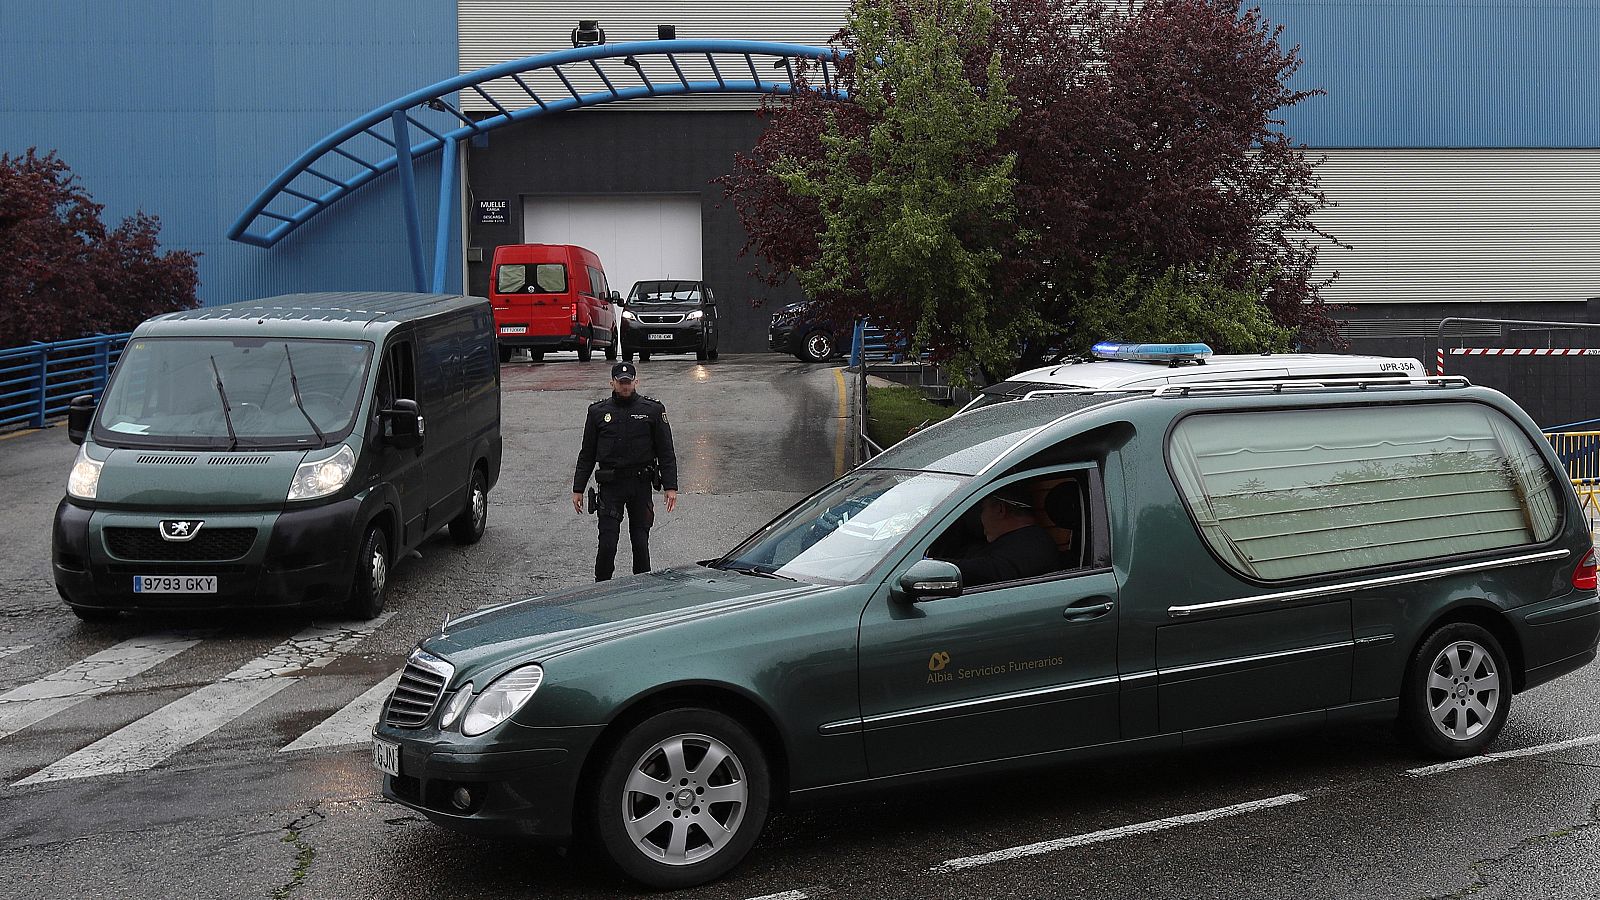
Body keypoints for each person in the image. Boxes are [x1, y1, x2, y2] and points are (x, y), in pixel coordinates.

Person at [573, 362, 679, 581]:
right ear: (612, 383)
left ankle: (641, 590)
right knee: (607, 544)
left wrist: (670, 486)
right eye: (621, 383)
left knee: (640, 543)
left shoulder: (652, 410)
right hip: (611, 487)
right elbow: (587, 454)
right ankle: (601, 589)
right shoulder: (597, 412)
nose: (625, 386)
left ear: (636, 382)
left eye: (628, 382)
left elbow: (666, 451)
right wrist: (578, 489)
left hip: (640, 485)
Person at [939, 484, 1061, 588]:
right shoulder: (1019, 540)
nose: (980, 519)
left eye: (982, 510)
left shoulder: (1032, 546)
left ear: (1000, 509)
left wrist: (934, 566)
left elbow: (987, 572)